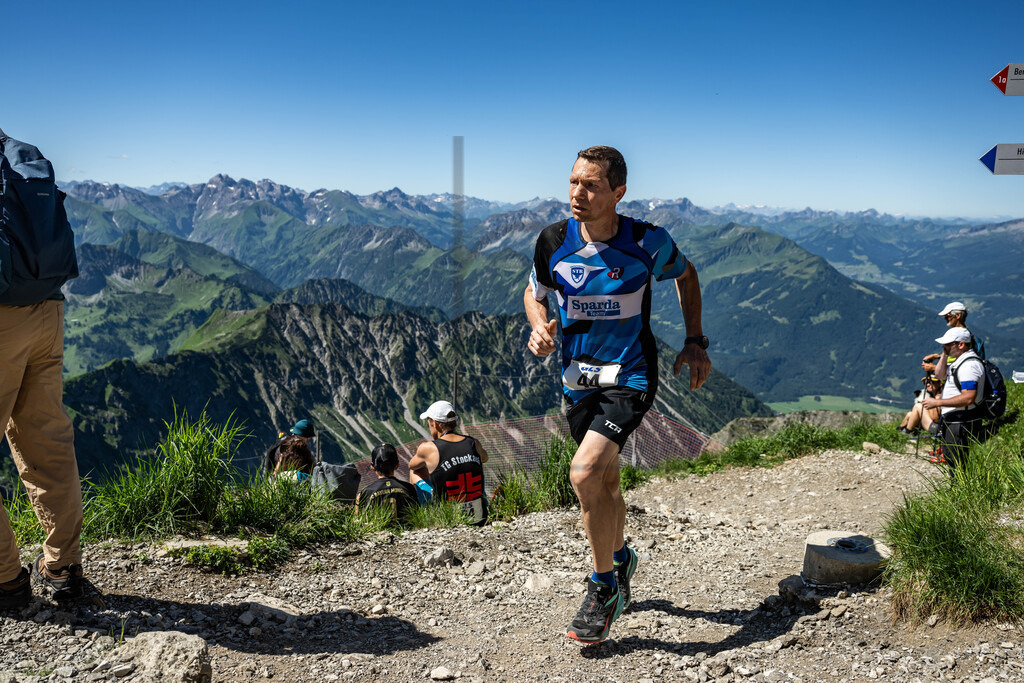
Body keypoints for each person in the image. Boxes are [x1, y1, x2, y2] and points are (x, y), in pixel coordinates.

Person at [523, 145, 711, 643]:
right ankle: (622, 557)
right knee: (604, 483)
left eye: (590, 186)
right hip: (575, 381)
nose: (576, 194)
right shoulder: (551, 241)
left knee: (583, 472)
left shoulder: (647, 242)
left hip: (629, 377)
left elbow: (687, 274)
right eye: (572, 182)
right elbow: (535, 292)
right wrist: (539, 325)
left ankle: (603, 586)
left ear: (618, 192)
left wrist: (694, 341)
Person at [0, 129, 85, 605]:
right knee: (48, 444)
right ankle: (63, 570)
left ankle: (7, 582)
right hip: (49, 310)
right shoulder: (20, 156)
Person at [408, 400, 489, 526]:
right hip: (480, 516)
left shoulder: (428, 448)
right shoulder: (474, 443)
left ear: (435, 424)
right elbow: (484, 458)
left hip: (448, 519)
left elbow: (412, 465)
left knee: (415, 471)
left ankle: (423, 517)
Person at [923, 327, 985, 469]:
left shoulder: (970, 366)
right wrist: (945, 354)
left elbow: (969, 397)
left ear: (961, 344)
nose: (943, 347)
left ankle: (961, 490)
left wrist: (937, 402)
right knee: (952, 461)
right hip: (955, 420)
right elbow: (939, 375)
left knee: (958, 465)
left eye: (947, 344)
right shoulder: (959, 362)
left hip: (962, 422)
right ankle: (958, 489)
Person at [356, 443, 418, 523]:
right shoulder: (409, 488)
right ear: (397, 465)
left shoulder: (365, 493)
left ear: (373, 467)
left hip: (378, 533)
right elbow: (416, 511)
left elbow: (359, 520)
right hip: (408, 531)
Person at [922, 302, 979, 373]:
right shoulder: (961, 335)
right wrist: (936, 356)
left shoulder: (964, 338)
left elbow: (961, 366)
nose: (945, 318)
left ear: (958, 315)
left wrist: (934, 368)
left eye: (948, 316)